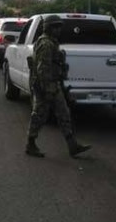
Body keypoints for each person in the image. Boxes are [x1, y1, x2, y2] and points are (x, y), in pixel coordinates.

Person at [26, 15, 91, 158]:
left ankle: (72, 145)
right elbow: (43, 69)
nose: (58, 30)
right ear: (49, 28)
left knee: (64, 114)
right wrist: (48, 89)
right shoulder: (46, 44)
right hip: (45, 85)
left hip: (53, 84)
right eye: (55, 27)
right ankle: (30, 143)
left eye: (59, 27)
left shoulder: (51, 42)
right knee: (40, 115)